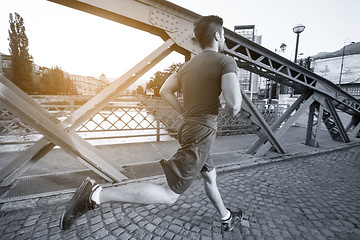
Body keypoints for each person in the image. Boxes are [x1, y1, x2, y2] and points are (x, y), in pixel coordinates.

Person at [60, 15, 243, 232]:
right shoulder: (225, 61)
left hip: (188, 127)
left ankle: (226, 216)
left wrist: (186, 112)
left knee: (210, 176)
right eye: (223, 37)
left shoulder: (187, 66)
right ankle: (96, 194)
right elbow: (234, 105)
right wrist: (226, 100)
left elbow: (164, 90)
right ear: (217, 35)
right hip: (201, 132)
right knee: (169, 194)